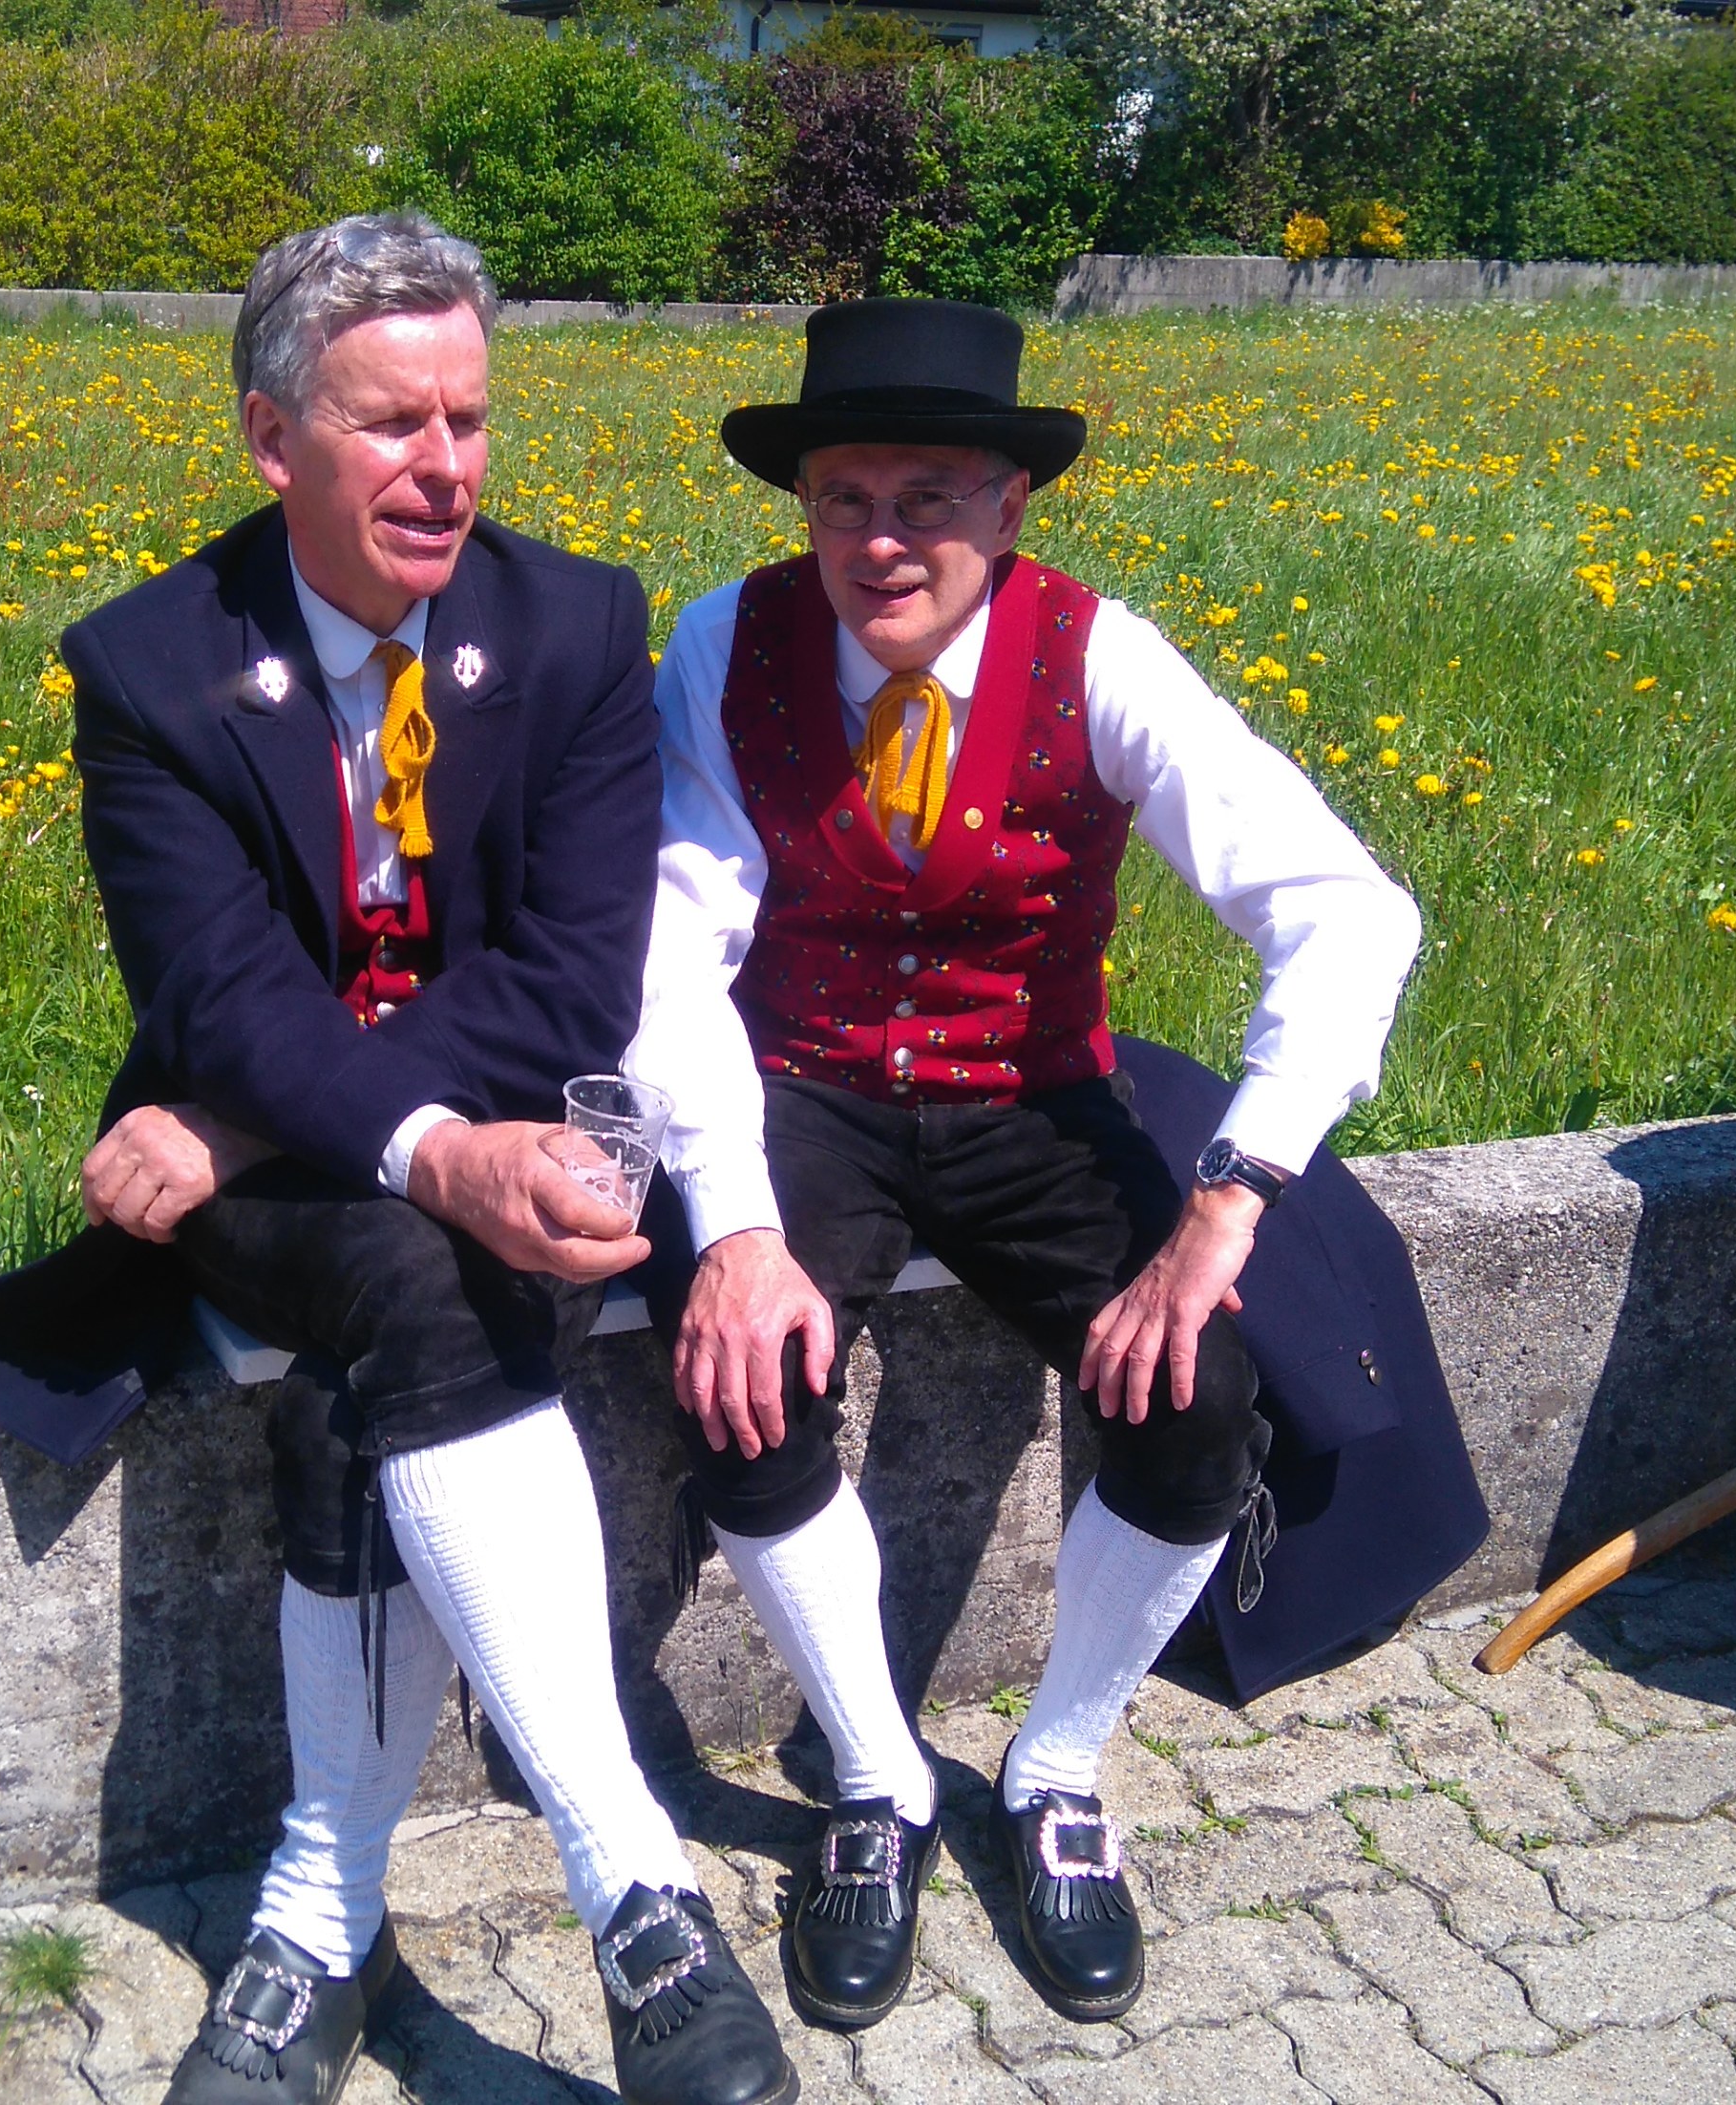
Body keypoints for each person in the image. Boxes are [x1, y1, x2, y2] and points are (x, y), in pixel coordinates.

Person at [59, 212, 796, 2105]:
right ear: (270, 437)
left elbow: (572, 970)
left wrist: (278, 1107)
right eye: (393, 423)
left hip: (322, 1126)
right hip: (271, 1190)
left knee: (356, 1403)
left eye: (469, 418)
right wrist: (413, 1143)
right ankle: (636, 1886)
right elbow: (214, 987)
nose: (446, 466)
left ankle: (319, 1915)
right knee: (420, 1269)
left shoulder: (574, 628)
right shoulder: (150, 667)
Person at [625, 299, 1423, 2030]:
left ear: (1009, 505)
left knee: (1200, 1396)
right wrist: (736, 1225)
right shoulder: (722, 642)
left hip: (1028, 1092)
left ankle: (1056, 1766)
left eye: (930, 498)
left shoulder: (1098, 657)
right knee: (740, 1382)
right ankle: (877, 1779)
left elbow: (1346, 910)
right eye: (845, 499)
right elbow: (674, 947)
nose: (881, 542)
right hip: (803, 1082)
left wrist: (1228, 1199)